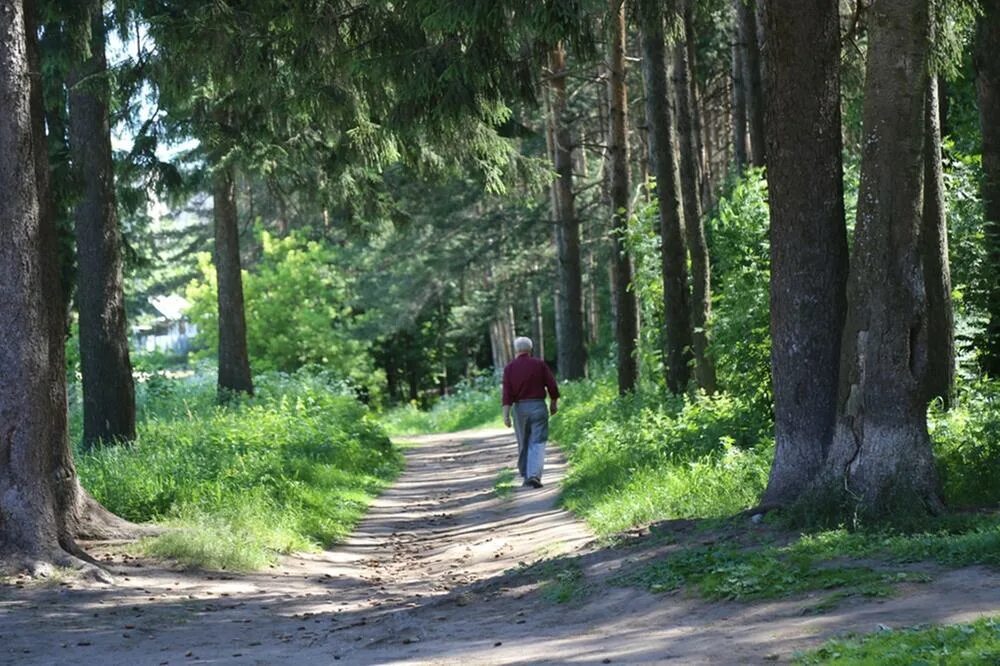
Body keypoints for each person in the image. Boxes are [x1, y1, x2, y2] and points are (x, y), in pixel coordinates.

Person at [501, 336, 559, 488]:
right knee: (538, 441)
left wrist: (506, 414)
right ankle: (534, 475)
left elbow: (507, 393)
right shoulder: (539, 364)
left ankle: (526, 474)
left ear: (516, 350)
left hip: (520, 408)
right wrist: (553, 402)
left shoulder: (510, 368)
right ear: (530, 349)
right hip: (538, 406)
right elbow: (552, 385)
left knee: (523, 441)